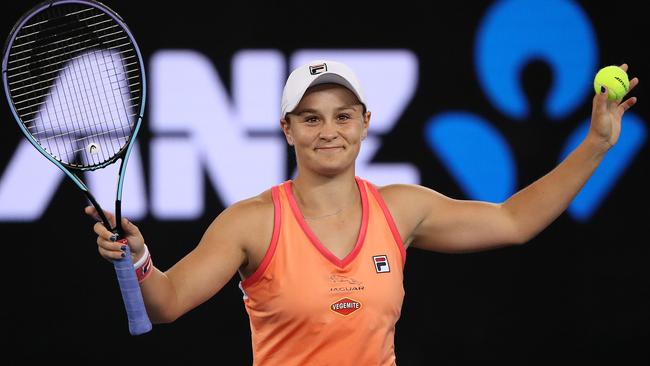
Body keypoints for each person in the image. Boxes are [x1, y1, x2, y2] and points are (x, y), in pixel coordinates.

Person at [86, 60, 638, 365]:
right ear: (287, 130)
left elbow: (515, 222)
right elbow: (165, 304)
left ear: (365, 122)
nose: (329, 131)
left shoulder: (401, 208)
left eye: (343, 116)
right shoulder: (251, 222)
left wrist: (596, 144)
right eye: (310, 118)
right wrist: (137, 258)